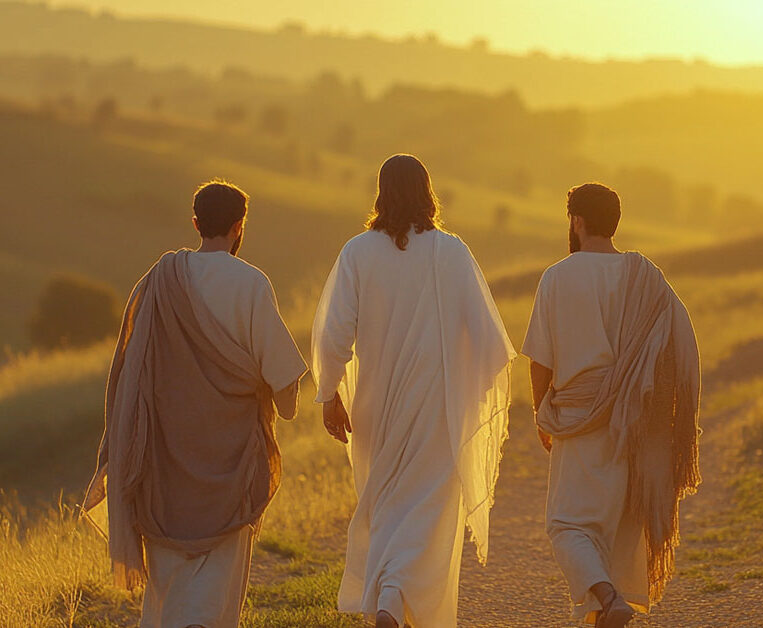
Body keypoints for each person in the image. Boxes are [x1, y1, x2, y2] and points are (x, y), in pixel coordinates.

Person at [82, 180, 308, 628]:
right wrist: (283, 405)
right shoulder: (251, 284)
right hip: (231, 460)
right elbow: (284, 382)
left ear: (195, 223)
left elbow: (130, 372)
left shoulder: (159, 281)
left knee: (168, 586)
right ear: (239, 226)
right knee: (217, 584)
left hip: (164, 461)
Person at [311, 154, 515, 628]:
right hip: (438, 408)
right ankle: (394, 598)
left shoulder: (358, 252)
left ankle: (389, 596)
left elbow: (334, 334)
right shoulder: (452, 253)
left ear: (381, 192)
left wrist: (329, 395)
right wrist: (468, 393)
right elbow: (490, 342)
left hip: (375, 406)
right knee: (427, 508)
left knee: (386, 502)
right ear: (427, 192)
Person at [522, 183, 701, 627]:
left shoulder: (557, 277)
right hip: (635, 423)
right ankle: (609, 607)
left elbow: (540, 361)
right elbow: (677, 344)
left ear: (577, 221)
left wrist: (541, 412)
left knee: (567, 526)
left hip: (577, 419)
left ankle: (606, 596)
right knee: (621, 530)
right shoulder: (645, 276)